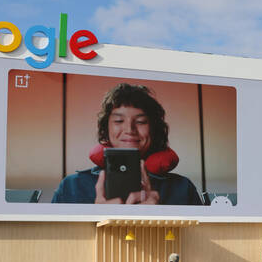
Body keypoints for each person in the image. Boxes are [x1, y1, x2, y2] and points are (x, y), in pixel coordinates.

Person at [52, 83, 203, 205]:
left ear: (154, 129)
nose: (129, 129)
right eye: (118, 121)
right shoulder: (71, 187)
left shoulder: (182, 189)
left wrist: (159, 218)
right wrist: (97, 219)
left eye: (141, 121)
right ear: (106, 128)